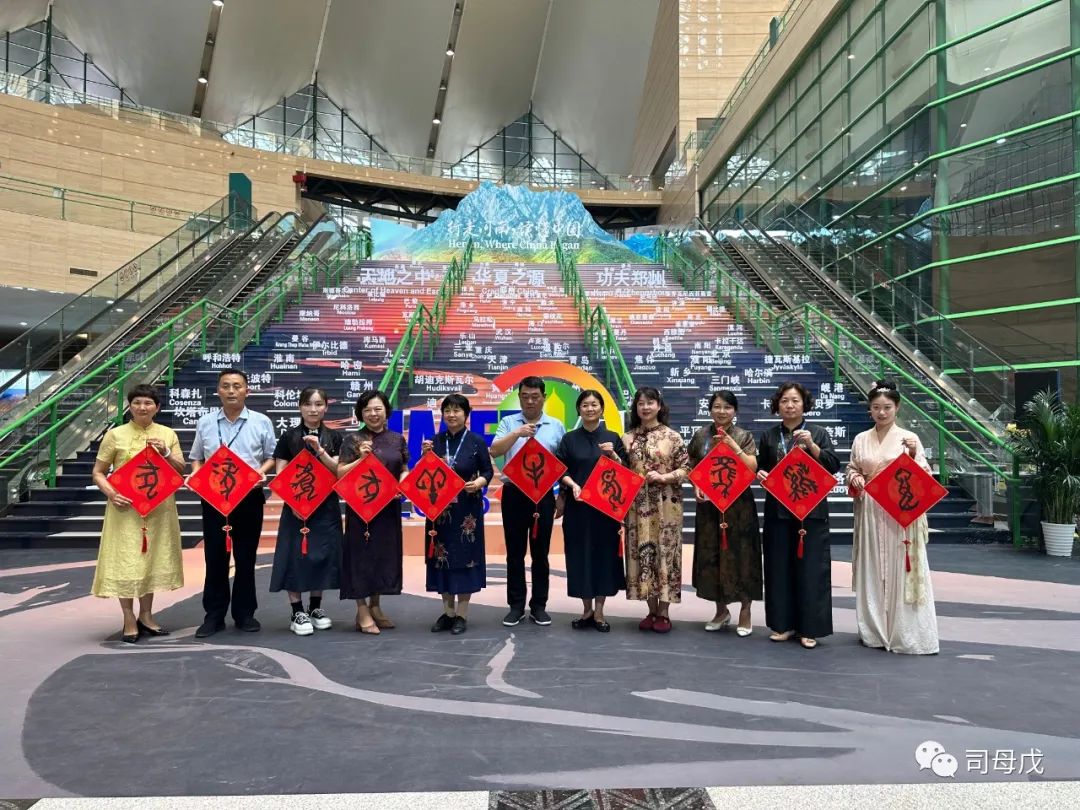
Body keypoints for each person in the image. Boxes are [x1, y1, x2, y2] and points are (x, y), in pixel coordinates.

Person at [847, 380, 939, 654]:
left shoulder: (909, 438)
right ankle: (874, 630)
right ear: (870, 409)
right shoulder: (861, 439)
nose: (882, 412)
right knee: (873, 566)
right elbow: (852, 467)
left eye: (887, 407)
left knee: (902, 567)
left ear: (897, 407)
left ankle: (905, 631)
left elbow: (924, 476)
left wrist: (913, 454)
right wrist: (855, 477)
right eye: (876, 407)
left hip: (899, 510)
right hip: (870, 509)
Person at [91, 385, 186, 642]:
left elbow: (180, 469)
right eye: (137, 403)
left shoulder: (167, 434)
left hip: (159, 510)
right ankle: (128, 617)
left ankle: (146, 615)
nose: (142, 407)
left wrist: (166, 452)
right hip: (125, 509)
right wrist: (112, 494)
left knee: (150, 560)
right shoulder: (115, 435)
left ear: (157, 407)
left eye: (148, 403)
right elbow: (98, 472)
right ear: (130, 406)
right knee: (125, 561)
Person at [189, 368, 276, 638]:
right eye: (225, 385)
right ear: (218, 391)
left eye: (237, 386)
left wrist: (261, 472)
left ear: (247, 391)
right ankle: (213, 616)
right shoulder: (205, 422)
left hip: (249, 496)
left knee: (246, 557)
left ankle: (244, 613)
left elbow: (271, 456)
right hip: (214, 498)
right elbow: (197, 457)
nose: (231, 391)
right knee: (215, 557)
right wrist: (196, 475)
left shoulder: (261, 421)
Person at [756, 381, 840, 649]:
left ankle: (809, 628)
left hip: (811, 512)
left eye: (795, 401)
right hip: (778, 511)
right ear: (777, 405)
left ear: (805, 405)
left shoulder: (818, 433)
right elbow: (762, 467)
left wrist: (812, 446)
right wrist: (761, 474)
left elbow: (832, 466)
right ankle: (783, 624)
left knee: (811, 570)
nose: (789, 405)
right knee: (778, 568)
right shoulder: (769, 436)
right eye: (784, 401)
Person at [489, 376, 566, 627]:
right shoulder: (508, 422)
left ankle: (539, 606)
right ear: (519, 397)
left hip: (543, 496)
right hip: (514, 494)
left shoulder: (556, 425)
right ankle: (515, 606)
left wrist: (562, 496)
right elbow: (495, 450)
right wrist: (517, 433)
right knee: (515, 553)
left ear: (544, 397)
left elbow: (563, 464)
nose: (530, 401)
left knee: (540, 554)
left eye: (535, 396)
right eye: (525, 396)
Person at [269, 387, 343, 636]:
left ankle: (315, 607)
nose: (313, 409)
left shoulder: (334, 437)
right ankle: (297, 611)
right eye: (308, 404)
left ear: (326, 407)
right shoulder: (289, 437)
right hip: (295, 508)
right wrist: (293, 502)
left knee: (321, 556)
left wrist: (320, 450)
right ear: (300, 407)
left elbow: (337, 471)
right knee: (295, 556)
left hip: (325, 507)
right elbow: (281, 474)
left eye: (319, 404)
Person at [688, 390, 760, 636]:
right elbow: (691, 465)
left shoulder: (743, 436)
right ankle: (721, 611)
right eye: (717, 406)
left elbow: (752, 468)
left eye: (727, 407)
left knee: (743, 556)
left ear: (735, 411)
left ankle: (745, 611)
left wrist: (733, 447)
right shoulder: (701, 435)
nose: (722, 411)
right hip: (709, 506)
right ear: (710, 409)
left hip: (739, 508)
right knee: (713, 556)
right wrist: (695, 485)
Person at [555, 389, 628, 632]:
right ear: (579, 409)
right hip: (578, 509)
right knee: (580, 557)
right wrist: (573, 485)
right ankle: (586, 610)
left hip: (605, 511)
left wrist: (613, 455)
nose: (590, 409)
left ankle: (599, 612)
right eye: (585, 405)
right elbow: (560, 469)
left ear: (602, 409)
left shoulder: (612, 437)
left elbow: (626, 471)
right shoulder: (569, 439)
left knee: (603, 557)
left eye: (594, 404)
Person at [338, 390, 409, 634]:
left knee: (382, 556)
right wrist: (361, 458)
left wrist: (402, 483)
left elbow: (404, 468)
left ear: (386, 411)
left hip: (388, 508)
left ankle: (375, 606)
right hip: (361, 509)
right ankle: (362, 610)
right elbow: (340, 473)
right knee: (360, 557)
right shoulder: (352, 439)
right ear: (360, 413)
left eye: (378, 409)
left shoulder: (397, 439)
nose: (373, 414)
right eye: (367, 410)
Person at [622, 386, 690, 634]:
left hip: (666, 506)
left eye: (650, 402)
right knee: (643, 555)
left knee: (666, 555)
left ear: (659, 406)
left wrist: (665, 477)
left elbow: (686, 469)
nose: (645, 407)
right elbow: (623, 472)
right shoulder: (627, 438)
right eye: (641, 403)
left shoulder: (672, 437)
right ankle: (650, 610)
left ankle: (664, 612)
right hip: (637, 507)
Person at [423, 393, 492, 635]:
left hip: (466, 511)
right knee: (441, 558)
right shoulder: (435, 441)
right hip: (440, 511)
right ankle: (448, 613)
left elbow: (487, 471)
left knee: (465, 558)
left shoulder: (476, 441)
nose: (451, 415)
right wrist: (425, 457)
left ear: (466, 414)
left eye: (456, 410)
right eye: (447, 411)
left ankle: (462, 614)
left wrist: (480, 482)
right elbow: (425, 474)